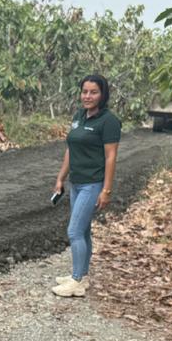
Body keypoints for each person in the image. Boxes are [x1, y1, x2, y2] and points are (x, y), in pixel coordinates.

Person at [51, 74, 120, 298]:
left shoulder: (109, 121)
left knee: (74, 231)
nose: (87, 96)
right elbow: (71, 149)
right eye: (85, 92)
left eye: (93, 92)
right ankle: (83, 274)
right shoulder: (79, 116)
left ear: (103, 95)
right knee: (83, 230)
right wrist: (61, 178)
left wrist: (106, 190)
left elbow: (111, 157)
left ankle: (77, 281)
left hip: (92, 184)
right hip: (77, 182)